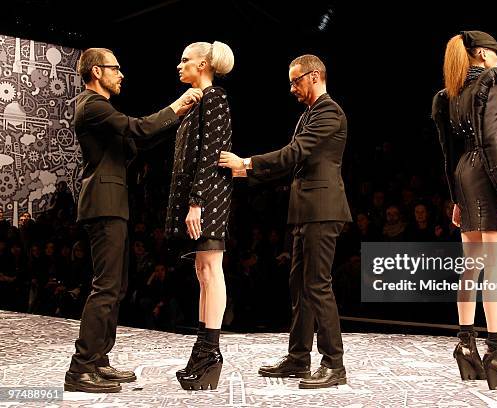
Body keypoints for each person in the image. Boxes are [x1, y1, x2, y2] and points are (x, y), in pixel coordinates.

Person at [65, 47, 202, 393]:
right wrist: (177, 105)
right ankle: (81, 368)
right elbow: (137, 129)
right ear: (97, 72)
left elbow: (137, 141)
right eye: (115, 68)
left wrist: (176, 120)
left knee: (116, 286)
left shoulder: (100, 109)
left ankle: (98, 360)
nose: (121, 74)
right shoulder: (92, 105)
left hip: (111, 204)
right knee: (106, 287)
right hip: (104, 204)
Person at [219, 54, 352, 389]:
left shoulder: (329, 112)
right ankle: (298, 357)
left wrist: (247, 163)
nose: (291, 88)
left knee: (318, 286)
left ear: (315, 76)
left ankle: (334, 364)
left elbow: (294, 154)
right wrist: (245, 171)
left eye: (296, 80)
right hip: (306, 212)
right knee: (300, 289)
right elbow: (293, 162)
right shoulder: (310, 114)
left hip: (322, 210)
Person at [432, 31, 497, 390]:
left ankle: (466, 344)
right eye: (496, 54)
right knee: (494, 270)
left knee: (471, 267)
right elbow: (493, 138)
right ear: (483, 55)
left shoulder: (451, 94)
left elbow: (448, 153)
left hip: (464, 174)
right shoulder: (493, 81)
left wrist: (455, 197)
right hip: (486, 174)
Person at [165, 41, 234, 391]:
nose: (179, 65)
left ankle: (211, 352)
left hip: (209, 198)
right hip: (201, 197)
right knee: (203, 270)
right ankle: (203, 350)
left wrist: (197, 202)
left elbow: (210, 154)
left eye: (185, 59)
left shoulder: (215, 98)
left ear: (203, 64)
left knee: (211, 268)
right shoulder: (195, 103)